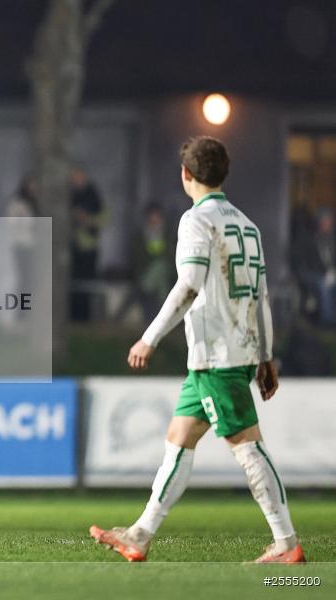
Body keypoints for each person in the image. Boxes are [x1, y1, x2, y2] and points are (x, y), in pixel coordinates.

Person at [90, 136, 305, 564]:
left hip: (217, 353)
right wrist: (265, 356)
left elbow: (189, 284)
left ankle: (286, 543)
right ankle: (140, 534)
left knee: (247, 445)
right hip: (234, 351)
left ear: (186, 174)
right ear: (223, 174)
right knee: (179, 440)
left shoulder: (195, 221)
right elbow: (261, 295)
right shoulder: (247, 224)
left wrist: (149, 337)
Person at [69, 167, 106, 321]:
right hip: (72, 247)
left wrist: (87, 219)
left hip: (89, 247)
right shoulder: (69, 196)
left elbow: (104, 219)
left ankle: (85, 318)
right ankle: (73, 317)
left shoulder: (94, 196)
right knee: (73, 284)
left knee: (87, 283)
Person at [291, 207, 336, 326]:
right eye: (326, 221)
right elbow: (300, 260)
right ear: (320, 222)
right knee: (323, 286)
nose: (328, 224)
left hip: (329, 274)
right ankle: (327, 320)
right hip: (312, 274)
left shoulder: (331, 239)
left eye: (330, 221)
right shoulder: (309, 238)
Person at [131, 203, 175, 322]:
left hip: (166, 270)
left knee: (161, 268)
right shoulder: (141, 235)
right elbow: (138, 258)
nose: (154, 219)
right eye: (152, 216)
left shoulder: (168, 233)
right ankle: (165, 316)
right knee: (161, 276)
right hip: (146, 273)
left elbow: (172, 254)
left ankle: (161, 316)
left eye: (157, 216)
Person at [6, 174, 40, 301]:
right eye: (31, 185)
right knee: (24, 278)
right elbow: (12, 224)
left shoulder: (37, 203)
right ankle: (21, 309)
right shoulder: (17, 203)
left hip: (34, 246)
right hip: (21, 246)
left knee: (33, 278)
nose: (33, 188)